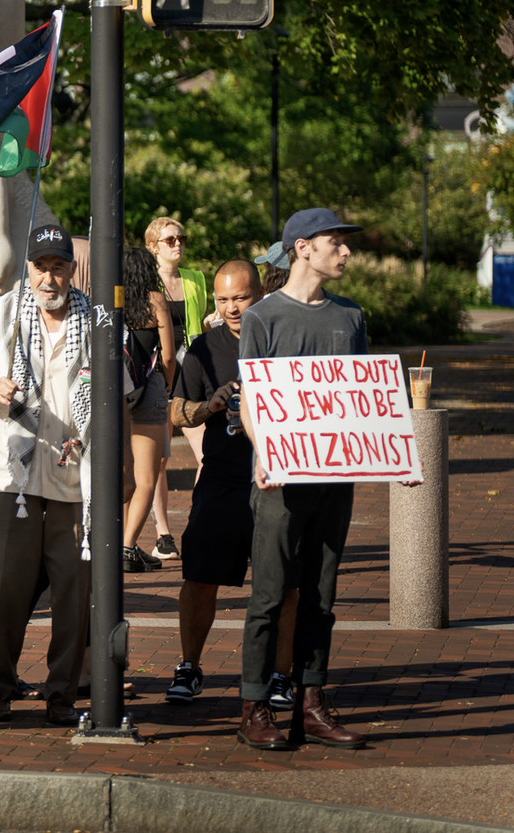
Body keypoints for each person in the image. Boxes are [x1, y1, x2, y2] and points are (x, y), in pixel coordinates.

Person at [235, 208, 399, 751]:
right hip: (281, 479)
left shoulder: (350, 318)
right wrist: (264, 451)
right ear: (302, 248)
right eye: (337, 243)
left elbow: (362, 399)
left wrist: (393, 455)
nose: (347, 252)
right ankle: (255, 707)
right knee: (268, 594)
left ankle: (311, 701)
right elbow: (253, 401)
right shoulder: (262, 317)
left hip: (335, 479)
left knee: (322, 596)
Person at [0, 223, 110, 727]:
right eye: (41, 267)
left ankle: (61, 696)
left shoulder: (100, 324)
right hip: (10, 479)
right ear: (30, 268)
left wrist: (119, 468)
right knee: (1, 594)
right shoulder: (1, 315)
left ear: (71, 269)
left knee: (75, 597)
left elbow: (117, 400)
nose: (49, 277)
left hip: (75, 481)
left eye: (58, 267)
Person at [165, 261, 299, 709]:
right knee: (199, 577)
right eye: (222, 300)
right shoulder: (204, 347)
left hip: (277, 478)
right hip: (221, 479)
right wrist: (210, 405)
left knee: (283, 584)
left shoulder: (284, 341)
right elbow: (176, 410)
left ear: (259, 294)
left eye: (239, 298)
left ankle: (282, 675)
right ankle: (189, 666)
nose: (231, 308)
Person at [146, 217, 209, 561]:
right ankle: (163, 535)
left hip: (192, 376)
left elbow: (198, 326)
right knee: (158, 460)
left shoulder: (196, 279)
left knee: (207, 456)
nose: (178, 244)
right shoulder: (146, 282)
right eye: (170, 240)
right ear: (153, 246)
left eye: (181, 238)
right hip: (158, 375)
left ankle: (199, 522)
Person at [120, 246, 174, 572]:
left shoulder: (106, 299)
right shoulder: (154, 300)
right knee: (145, 478)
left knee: (121, 475)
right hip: (147, 388)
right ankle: (126, 548)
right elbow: (167, 355)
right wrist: (166, 385)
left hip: (113, 392)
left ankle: (118, 542)